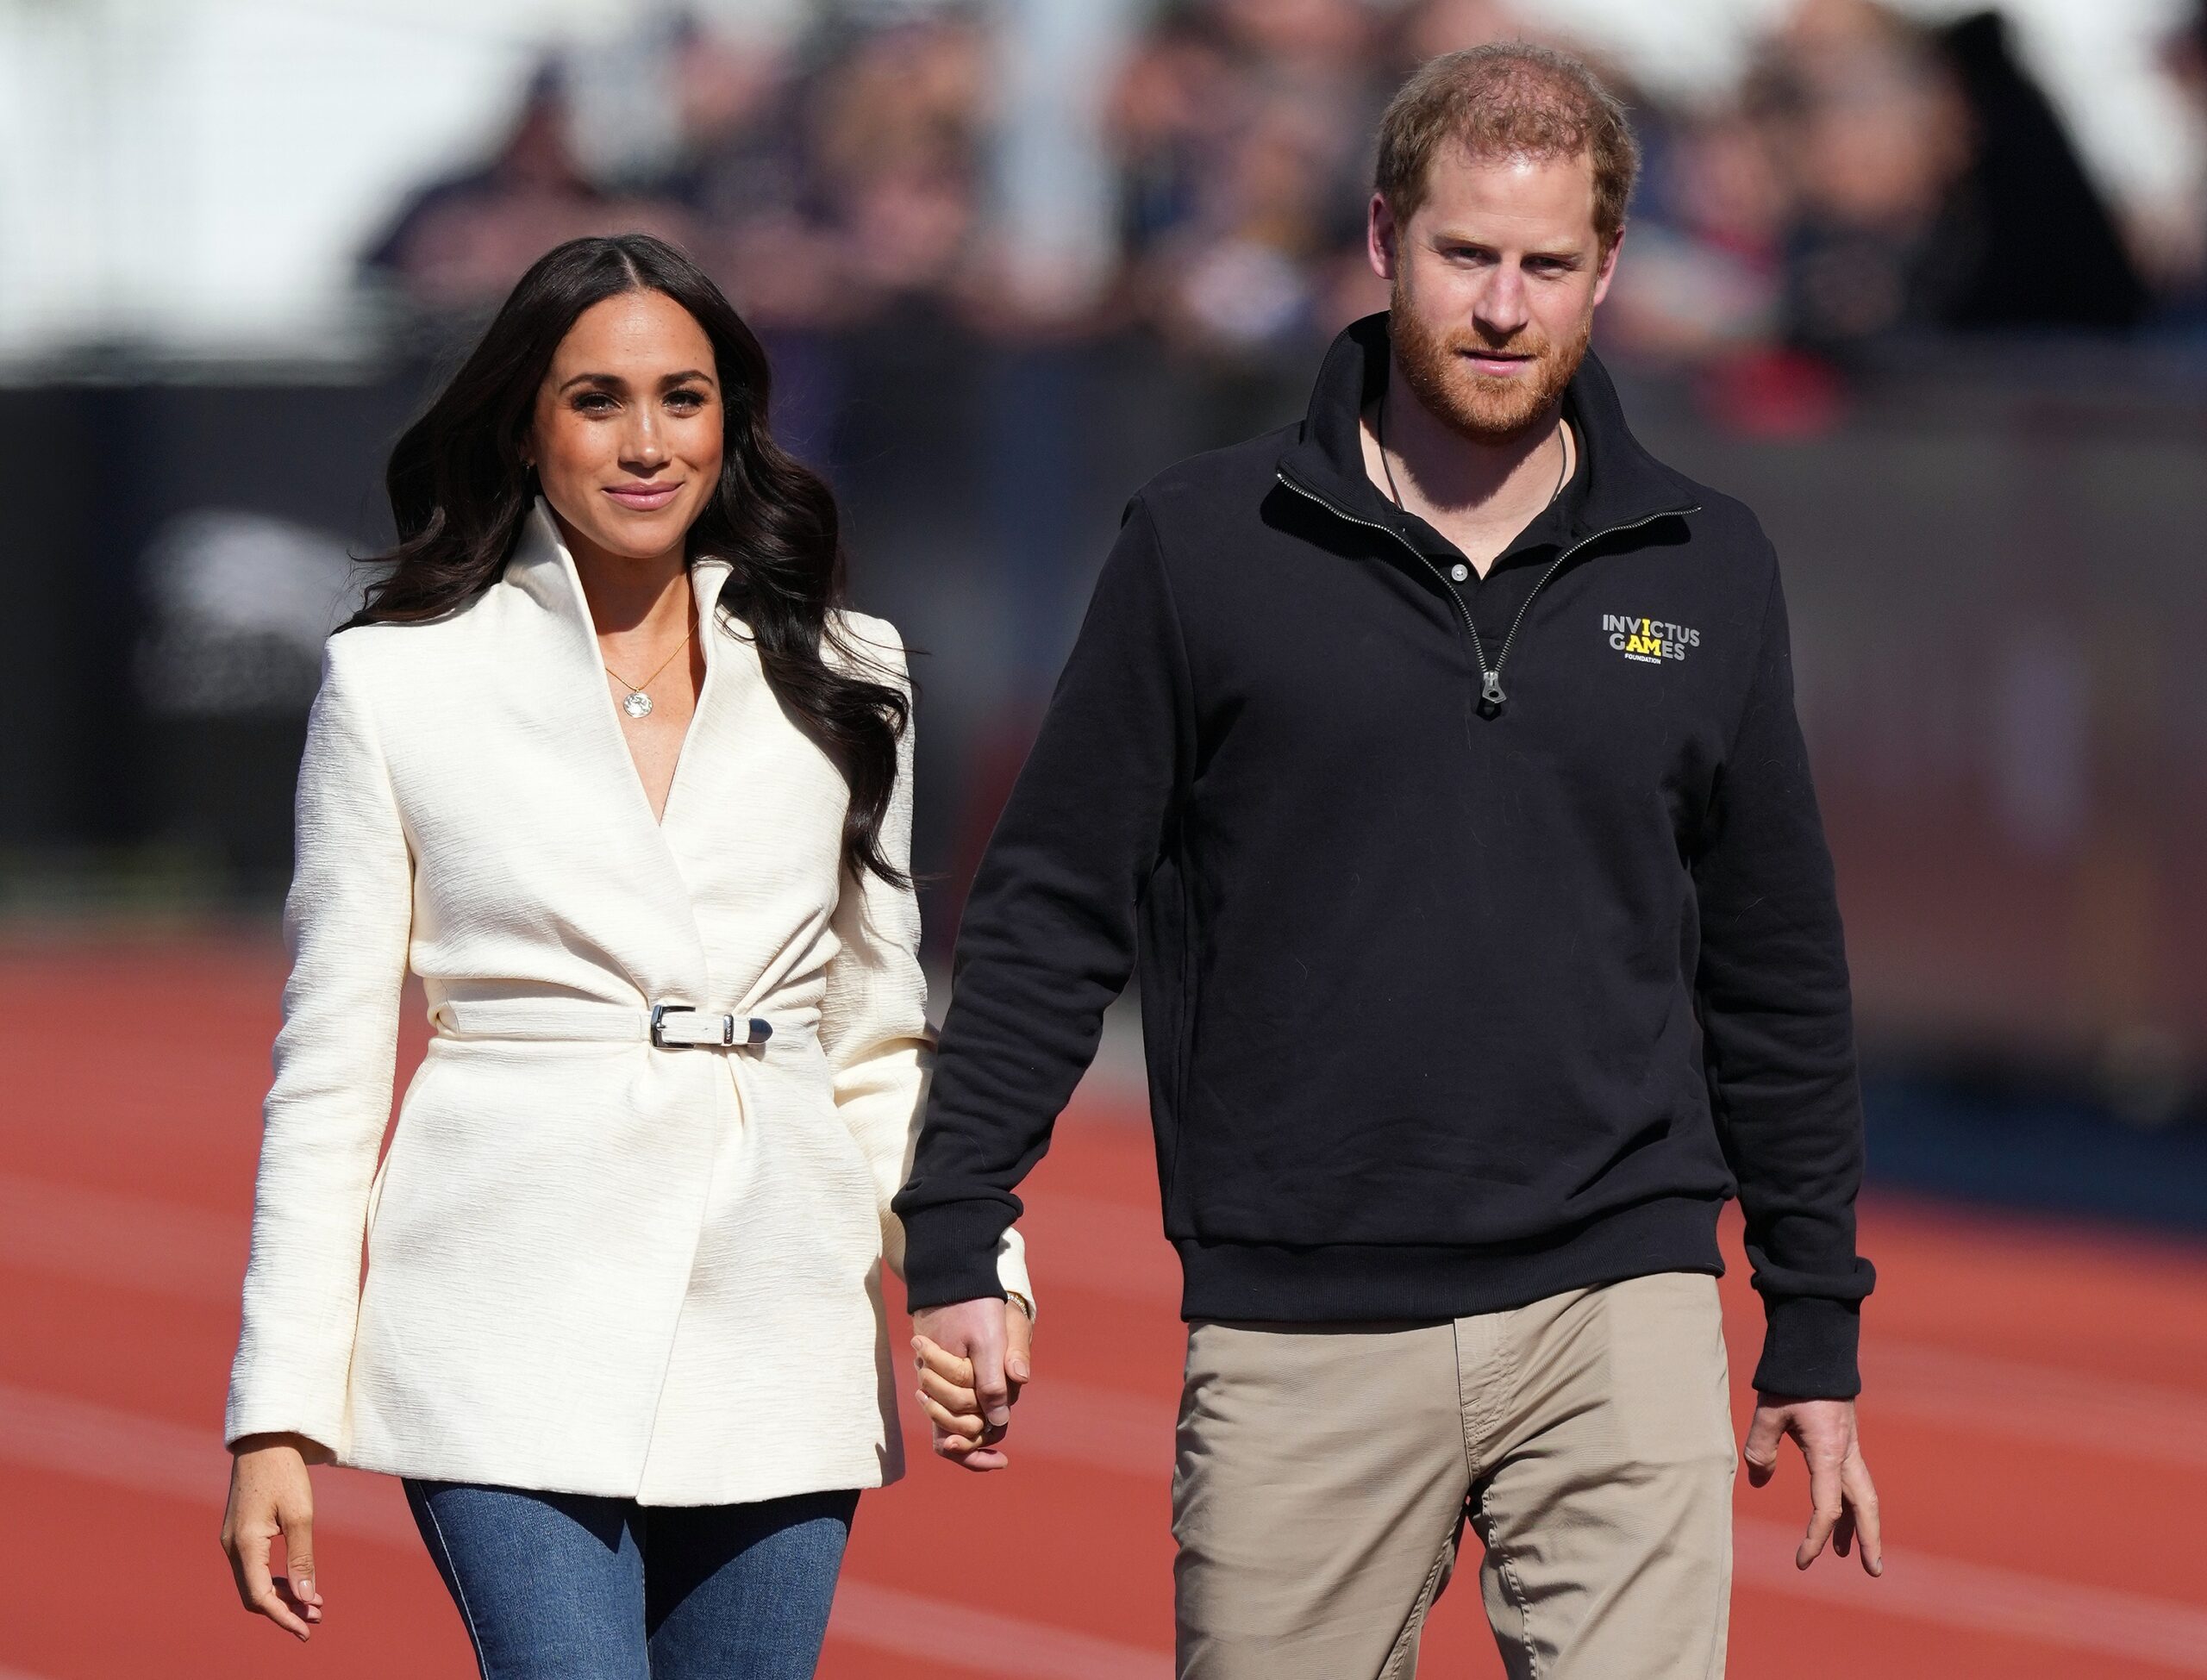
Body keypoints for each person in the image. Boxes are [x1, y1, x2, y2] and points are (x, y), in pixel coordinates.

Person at [896, 43, 1881, 1680]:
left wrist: (1814, 1315)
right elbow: (1055, 902)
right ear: (1380, 240)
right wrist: (958, 1220)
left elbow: (1773, 958)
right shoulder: (1203, 543)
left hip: (1619, 1298)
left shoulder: (1710, 562)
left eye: (1547, 265)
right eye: (1466, 255)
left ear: (1607, 272)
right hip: (1299, 1317)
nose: (1504, 304)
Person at [216, 232, 1034, 1678]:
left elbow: (879, 1037)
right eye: (599, 400)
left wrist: (977, 1267)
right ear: (526, 425)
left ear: (732, 421)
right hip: (499, 1300)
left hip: (780, 1307)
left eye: (685, 397)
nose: (648, 441)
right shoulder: (398, 680)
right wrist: (277, 1403)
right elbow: (329, 1076)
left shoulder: (852, 672)